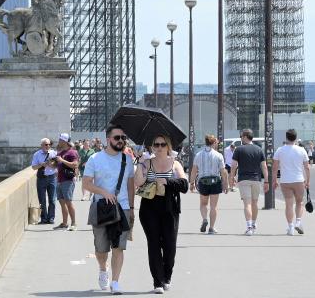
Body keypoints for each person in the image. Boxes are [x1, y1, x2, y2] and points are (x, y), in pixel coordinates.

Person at [82, 124, 135, 295]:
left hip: (123, 208)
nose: (121, 141)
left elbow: (130, 185)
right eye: (117, 137)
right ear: (108, 139)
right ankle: (102, 268)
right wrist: (103, 192)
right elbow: (86, 184)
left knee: (119, 247)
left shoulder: (127, 160)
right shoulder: (95, 159)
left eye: (123, 138)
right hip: (101, 208)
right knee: (101, 249)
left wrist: (132, 208)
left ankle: (115, 282)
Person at [135, 134, 188, 294]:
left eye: (162, 144)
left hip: (170, 207)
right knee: (154, 244)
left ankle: (167, 276)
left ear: (168, 146)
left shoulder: (175, 164)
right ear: (152, 147)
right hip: (149, 207)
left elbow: (184, 185)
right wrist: (139, 164)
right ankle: (157, 281)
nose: (159, 148)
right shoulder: (146, 163)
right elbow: (138, 183)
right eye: (156, 145)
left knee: (170, 245)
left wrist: (167, 181)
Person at [228, 128, 269, 236]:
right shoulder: (259, 149)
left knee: (247, 204)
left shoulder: (239, 150)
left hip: (244, 180)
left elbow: (233, 165)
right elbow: (264, 166)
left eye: (241, 136)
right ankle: (254, 224)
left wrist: (231, 178)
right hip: (256, 180)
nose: (241, 138)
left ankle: (249, 226)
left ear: (246, 137)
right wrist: (266, 181)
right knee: (255, 203)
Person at [272, 129, 310, 235]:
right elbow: (307, 167)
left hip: (285, 181)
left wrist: (274, 180)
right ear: (296, 137)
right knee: (299, 202)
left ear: (286, 137)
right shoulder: (301, 150)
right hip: (299, 180)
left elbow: (275, 167)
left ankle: (291, 227)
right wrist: (308, 181)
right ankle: (298, 222)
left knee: (289, 204)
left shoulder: (280, 150)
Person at [189, 135, 228, 234]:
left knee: (203, 203)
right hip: (215, 181)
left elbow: (194, 170)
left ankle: (205, 219)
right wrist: (225, 183)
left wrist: (192, 182)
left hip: (203, 181)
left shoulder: (198, 155)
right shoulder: (218, 155)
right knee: (214, 206)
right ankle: (211, 228)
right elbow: (223, 171)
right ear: (214, 143)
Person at [54, 133, 79, 231]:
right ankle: (64, 223)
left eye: (60, 140)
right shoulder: (60, 152)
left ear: (64, 141)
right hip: (59, 180)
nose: (58, 141)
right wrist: (51, 164)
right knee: (62, 203)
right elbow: (57, 165)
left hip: (68, 180)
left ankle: (74, 223)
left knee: (68, 202)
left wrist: (62, 160)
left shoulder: (72, 152)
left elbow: (75, 165)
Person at [31, 138, 58, 224]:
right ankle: (44, 218)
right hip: (41, 178)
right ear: (42, 145)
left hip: (52, 178)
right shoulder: (37, 154)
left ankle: (51, 218)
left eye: (49, 144)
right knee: (42, 200)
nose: (48, 146)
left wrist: (52, 164)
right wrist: (41, 164)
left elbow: (58, 166)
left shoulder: (54, 153)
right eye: (46, 144)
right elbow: (33, 167)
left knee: (52, 200)